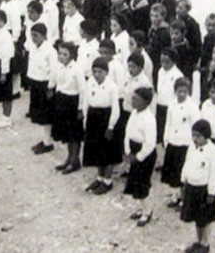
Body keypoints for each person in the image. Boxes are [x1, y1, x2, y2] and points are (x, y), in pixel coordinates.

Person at [180, 119, 215, 253]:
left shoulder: (213, 150)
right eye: (193, 135)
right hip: (192, 187)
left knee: (205, 218)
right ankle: (198, 241)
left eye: (198, 136)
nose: (195, 138)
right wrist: (184, 180)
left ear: (206, 135)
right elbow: (187, 163)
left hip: (204, 190)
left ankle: (205, 243)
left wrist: (211, 192)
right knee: (196, 217)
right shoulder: (192, 146)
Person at [82, 57, 121, 195]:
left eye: (100, 72)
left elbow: (116, 109)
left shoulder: (112, 86)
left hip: (106, 118)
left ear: (106, 72)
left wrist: (110, 126)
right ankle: (99, 177)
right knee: (97, 150)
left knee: (107, 152)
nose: (97, 74)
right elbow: (86, 101)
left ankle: (108, 181)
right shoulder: (90, 82)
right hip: (93, 117)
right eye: (94, 72)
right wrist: (86, 119)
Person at [162, 77, 200, 208]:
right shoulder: (171, 105)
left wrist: (194, 144)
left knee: (184, 173)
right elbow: (168, 123)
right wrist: (166, 139)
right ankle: (176, 196)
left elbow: (196, 127)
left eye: (185, 91)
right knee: (174, 173)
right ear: (175, 91)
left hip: (186, 145)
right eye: (179, 91)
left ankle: (184, 199)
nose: (182, 94)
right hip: (173, 142)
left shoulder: (192, 107)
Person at [124, 86, 157, 227]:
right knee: (135, 182)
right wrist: (127, 151)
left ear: (145, 102)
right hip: (133, 150)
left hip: (144, 154)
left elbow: (150, 143)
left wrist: (138, 157)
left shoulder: (149, 119)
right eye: (133, 98)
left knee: (142, 183)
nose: (133, 101)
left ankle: (147, 211)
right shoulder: (134, 113)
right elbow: (128, 132)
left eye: (136, 99)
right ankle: (140, 208)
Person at [50, 41, 86, 172]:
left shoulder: (77, 70)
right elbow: (55, 81)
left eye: (65, 54)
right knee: (66, 132)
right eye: (60, 53)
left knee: (74, 134)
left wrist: (81, 108)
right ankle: (69, 157)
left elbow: (82, 90)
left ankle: (75, 160)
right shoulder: (58, 67)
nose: (61, 56)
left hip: (73, 102)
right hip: (62, 100)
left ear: (72, 56)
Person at [28, 23, 55, 154]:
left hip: (45, 85)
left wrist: (50, 87)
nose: (34, 38)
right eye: (32, 35)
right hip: (36, 82)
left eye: (36, 36)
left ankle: (48, 142)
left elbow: (54, 70)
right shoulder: (33, 48)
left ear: (44, 36)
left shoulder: (50, 50)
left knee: (46, 115)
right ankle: (45, 139)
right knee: (39, 114)